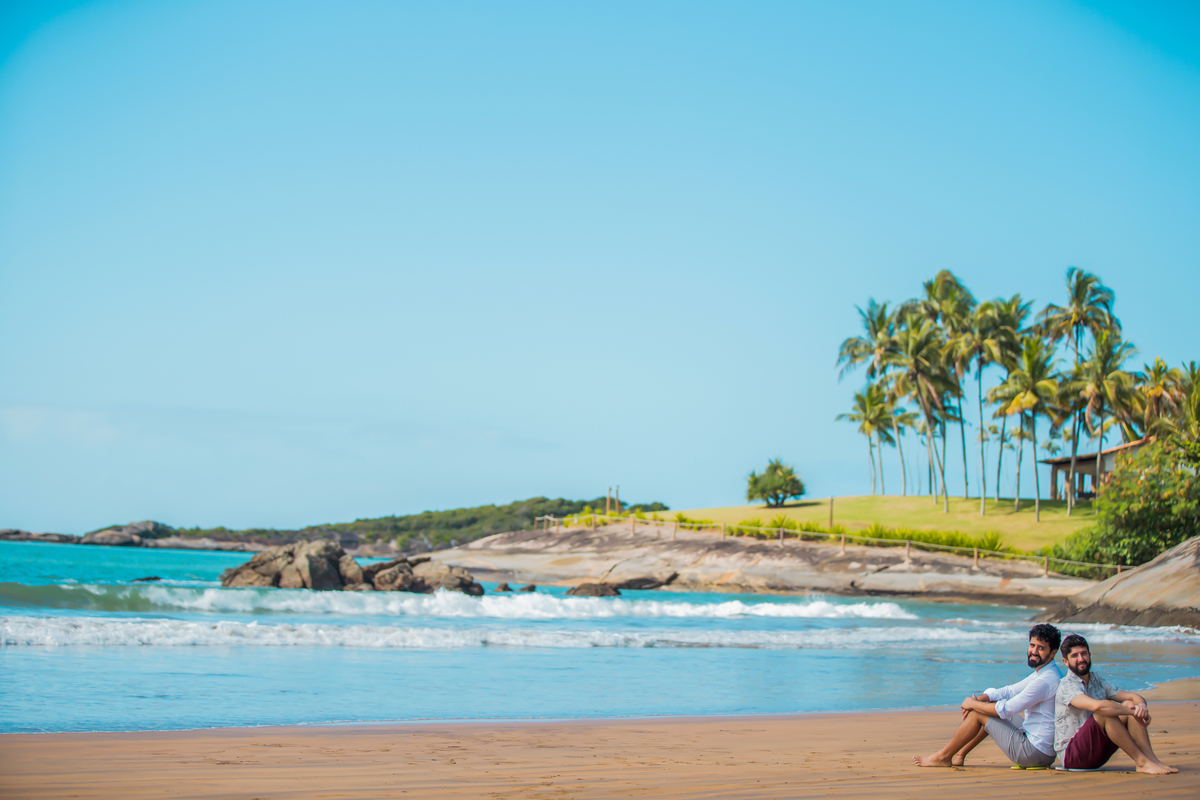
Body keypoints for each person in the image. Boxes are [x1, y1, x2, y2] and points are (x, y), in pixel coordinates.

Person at [913, 623, 1064, 768]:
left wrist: (972, 704)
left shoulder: (1045, 680)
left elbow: (1007, 709)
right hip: (1039, 748)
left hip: (1033, 754)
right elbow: (1009, 691)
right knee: (986, 708)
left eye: (1041, 648)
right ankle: (959, 754)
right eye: (1032, 645)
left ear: (1053, 653)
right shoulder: (1045, 673)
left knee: (981, 713)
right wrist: (980, 699)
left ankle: (943, 757)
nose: (1034, 651)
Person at [1054, 633, 1177, 774]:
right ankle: (1141, 762)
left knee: (1128, 703)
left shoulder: (1096, 680)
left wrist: (1141, 707)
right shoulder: (1066, 686)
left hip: (1097, 754)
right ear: (1066, 661)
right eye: (1075, 656)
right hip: (1074, 756)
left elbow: (1132, 696)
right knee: (1106, 711)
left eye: (1084, 654)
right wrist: (1132, 711)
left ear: (1090, 655)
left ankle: (1151, 760)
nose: (1081, 659)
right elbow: (1097, 706)